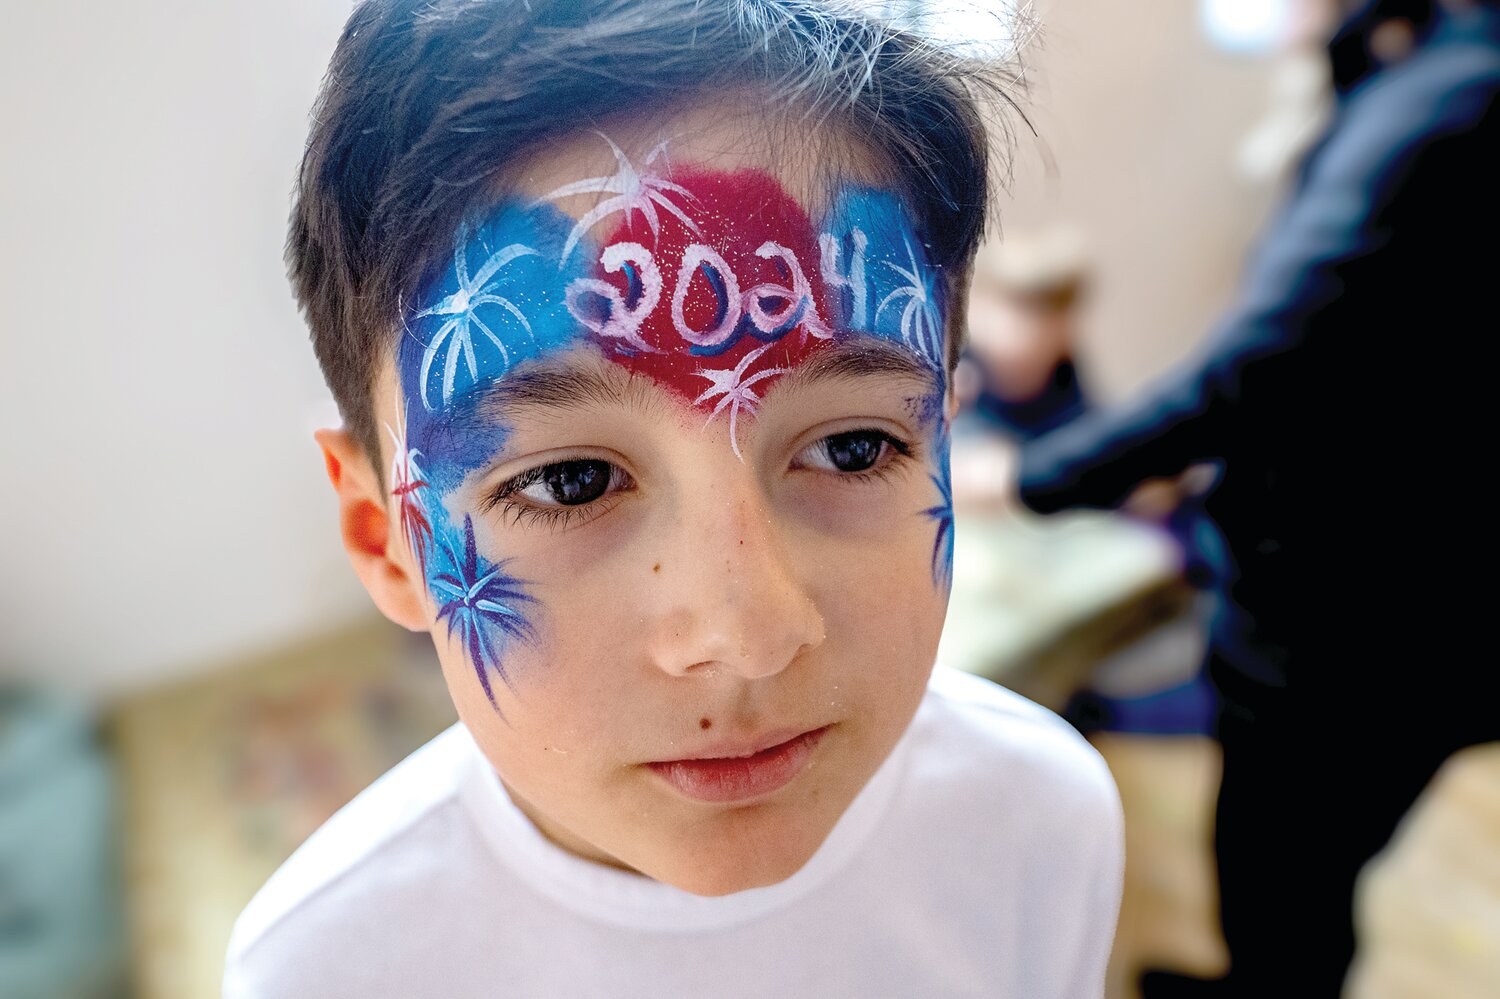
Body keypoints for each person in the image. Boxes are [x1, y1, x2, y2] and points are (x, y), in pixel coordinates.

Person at [222, 2, 1124, 996]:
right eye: (572, 482)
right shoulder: (325, 966)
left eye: (854, 446)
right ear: (384, 537)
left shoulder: (1043, 823)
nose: (747, 635)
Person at [1016, 0, 1500, 994]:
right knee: (1298, 865)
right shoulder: (1412, 78)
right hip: (1389, 572)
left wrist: (1039, 478)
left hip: (1361, 613)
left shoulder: (1447, 103)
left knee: (1285, 870)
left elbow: (1268, 359)